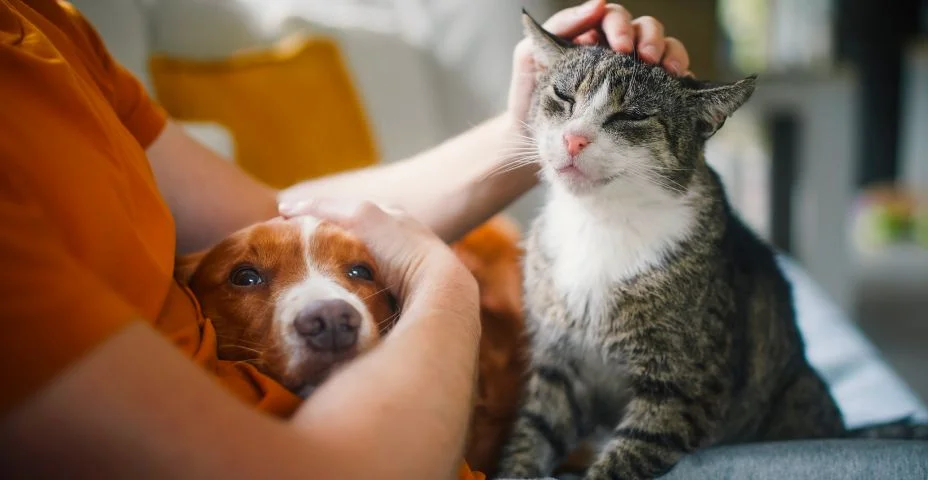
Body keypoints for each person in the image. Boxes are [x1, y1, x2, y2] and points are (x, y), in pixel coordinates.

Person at [0, 0, 691, 478]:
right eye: (245, 280)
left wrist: (522, 137)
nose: (330, 309)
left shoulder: (52, 31)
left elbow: (279, 217)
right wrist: (440, 284)